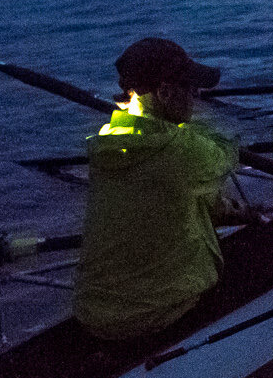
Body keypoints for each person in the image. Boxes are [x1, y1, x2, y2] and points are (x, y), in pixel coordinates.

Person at [72, 37, 244, 342]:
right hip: (158, 316)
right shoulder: (181, 150)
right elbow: (226, 154)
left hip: (93, 313)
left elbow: (180, 187)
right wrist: (218, 136)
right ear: (165, 92)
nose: (195, 95)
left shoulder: (108, 140)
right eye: (190, 88)